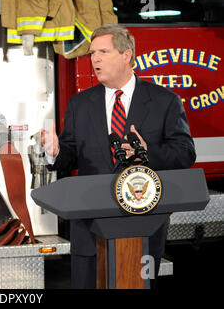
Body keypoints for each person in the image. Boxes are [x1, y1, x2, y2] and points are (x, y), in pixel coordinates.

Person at [41, 23, 196, 288]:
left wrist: (147, 153)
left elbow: (185, 153)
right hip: (90, 231)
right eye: (92, 53)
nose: (95, 59)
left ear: (127, 56)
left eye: (104, 51)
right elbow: (69, 156)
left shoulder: (164, 101)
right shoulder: (80, 104)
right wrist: (54, 152)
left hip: (142, 228)